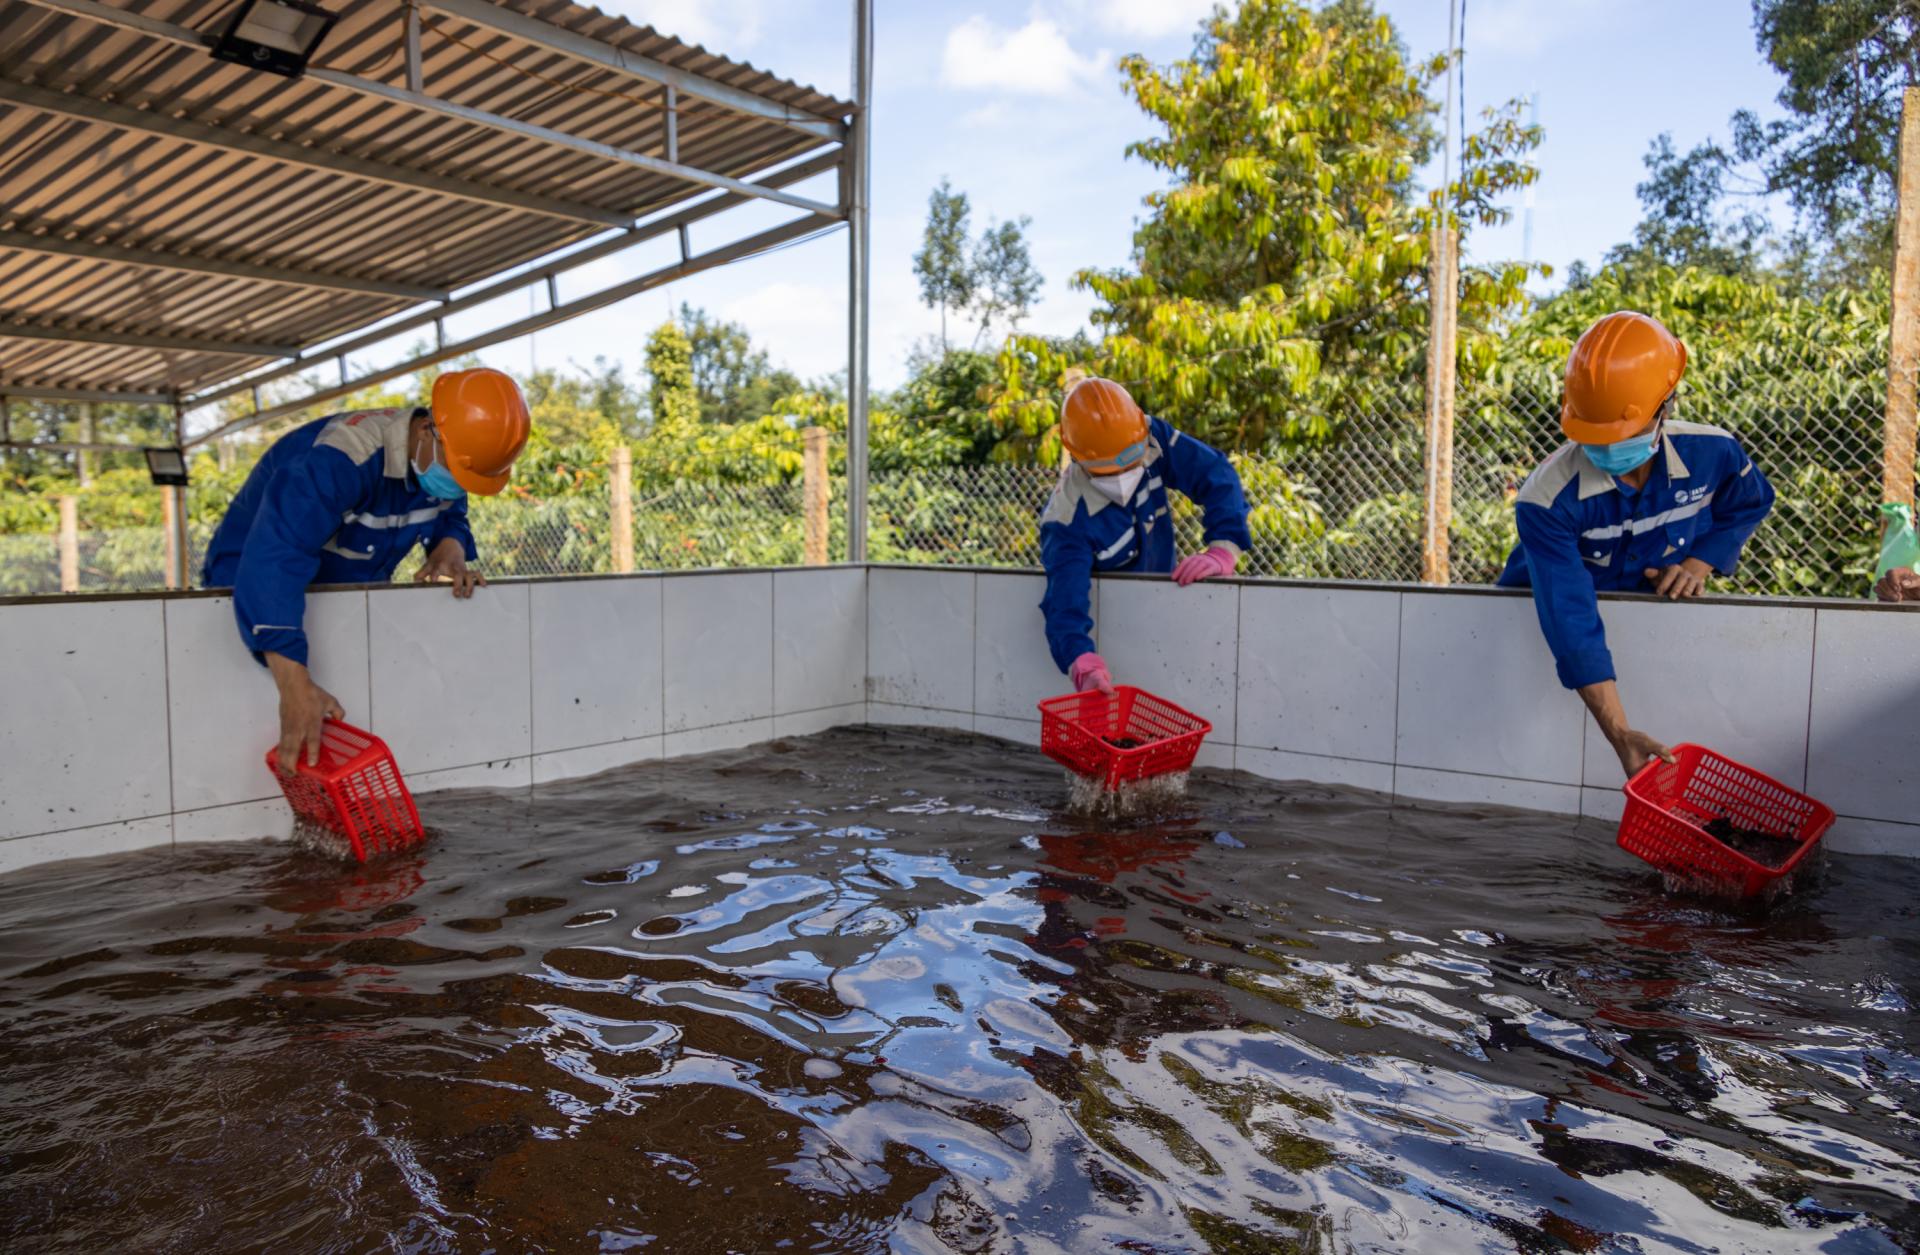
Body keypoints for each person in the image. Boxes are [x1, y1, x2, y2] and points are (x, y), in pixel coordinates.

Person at [202, 368, 531, 772]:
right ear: (428, 430)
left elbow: (450, 506)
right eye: (456, 472)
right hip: (255, 596)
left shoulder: (439, 462)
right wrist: (292, 684)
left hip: (340, 596)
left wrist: (450, 546)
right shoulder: (339, 459)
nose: (455, 484)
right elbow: (275, 556)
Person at [1497, 311, 1775, 777]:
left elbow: (1750, 503)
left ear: (1667, 405)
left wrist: (1698, 563)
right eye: (1594, 436)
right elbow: (1569, 617)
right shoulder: (1546, 499)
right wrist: (1620, 734)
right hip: (1534, 622)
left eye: (1626, 432)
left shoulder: (1715, 453)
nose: (1609, 450)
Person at [1039, 377, 1252, 692]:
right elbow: (1064, 601)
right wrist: (1081, 662)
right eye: (1110, 470)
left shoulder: (1153, 438)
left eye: (1132, 460)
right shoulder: (1066, 519)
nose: (1126, 476)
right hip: (1119, 634)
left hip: (1168, 611)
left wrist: (1224, 548)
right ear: (1078, 458)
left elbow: (1216, 475)